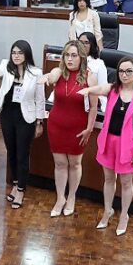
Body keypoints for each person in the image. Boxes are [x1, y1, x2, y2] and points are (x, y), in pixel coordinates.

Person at [80, 56, 133, 235]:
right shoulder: (113, 89)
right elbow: (100, 88)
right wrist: (88, 89)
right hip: (109, 143)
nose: (124, 75)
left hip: (129, 147)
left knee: (126, 182)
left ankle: (124, 215)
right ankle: (107, 211)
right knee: (109, 179)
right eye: (121, 71)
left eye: (128, 71)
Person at [40, 41, 98, 217]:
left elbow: (94, 107)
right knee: (60, 163)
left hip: (78, 127)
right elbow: (51, 75)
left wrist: (89, 129)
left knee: (74, 163)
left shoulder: (90, 77)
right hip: (56, 125)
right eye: (66, 55)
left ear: (81, 57)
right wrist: (46, 78)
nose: (70, 59)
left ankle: (71, 197)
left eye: (74, 55)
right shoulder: (59, 73)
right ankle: (60, 198)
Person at [0, 41, 45, 209]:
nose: (16, 55)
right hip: (7, 115)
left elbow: (40, 100)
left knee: (22, 153)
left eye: (20, 52)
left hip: (26, 118)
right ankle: (14, 183)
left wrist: (39, 122)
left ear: (26, 54)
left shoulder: (36, 73)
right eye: (14, 52)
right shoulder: (7, 66)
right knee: (11, 152)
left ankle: (21, 189)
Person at [78, 31, 108, 111]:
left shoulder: (99, 64)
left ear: (92, 45)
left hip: (90, 102)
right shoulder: (72, 61)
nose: (83, 45)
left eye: (86, 42)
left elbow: (103, 88)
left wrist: (104, 111)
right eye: (80, 42)